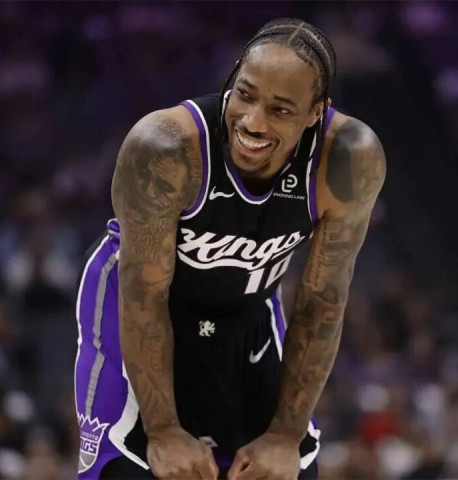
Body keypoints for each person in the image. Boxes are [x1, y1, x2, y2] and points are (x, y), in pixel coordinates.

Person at [74, 18, 386, 480]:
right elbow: (144, 296)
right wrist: (163, 431)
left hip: (248, 311)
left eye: (280, 110)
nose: (253, 122)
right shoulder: (165, 147)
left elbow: (321, 302)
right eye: (245, 94)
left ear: (315, 112)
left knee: (285, 466)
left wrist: (284, 436)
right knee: (136, 468)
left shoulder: (347, 159)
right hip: (138, 304)